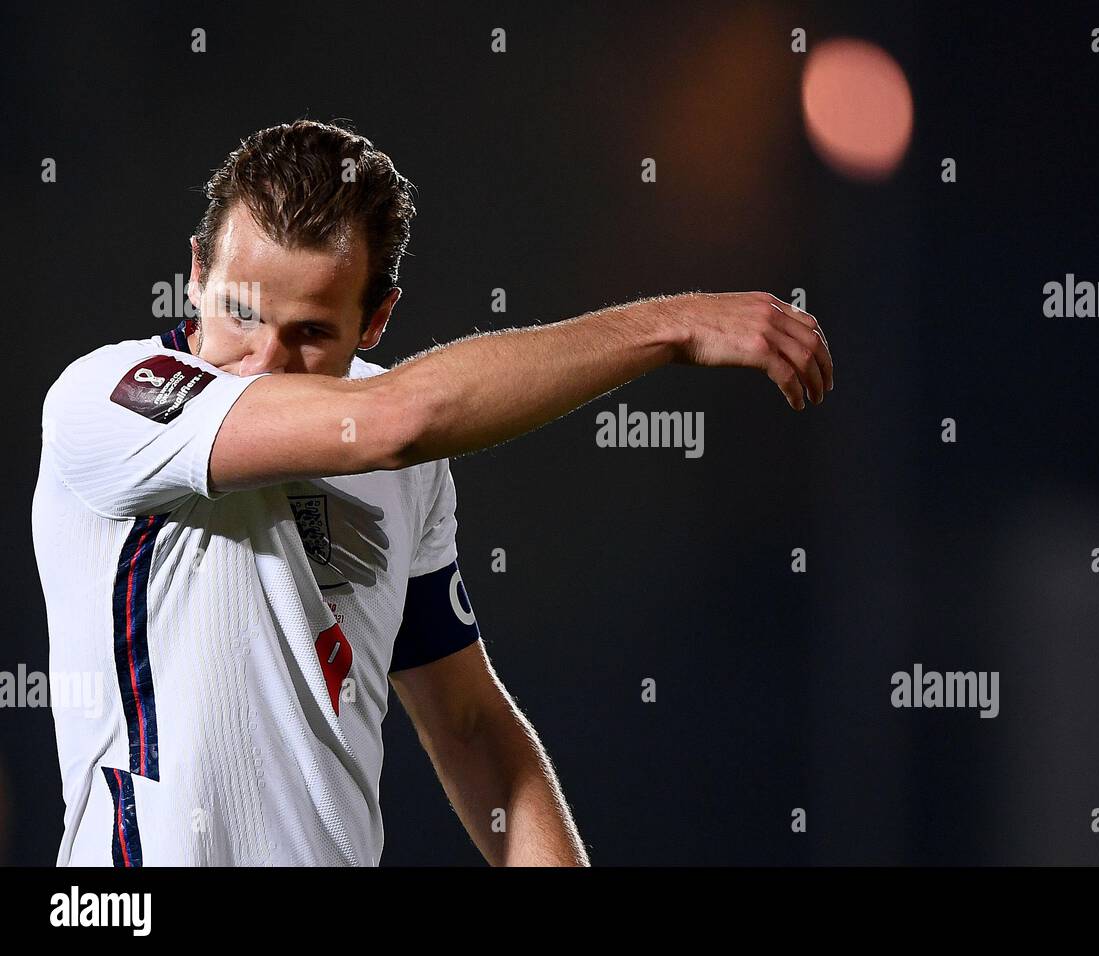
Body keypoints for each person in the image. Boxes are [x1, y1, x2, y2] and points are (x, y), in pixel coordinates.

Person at [31, 120, 833, 866]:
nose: (264, 361)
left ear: (376, 319)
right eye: (240, 312)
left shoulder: (407, 463)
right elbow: (395, 418)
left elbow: (473, 726)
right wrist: (670, 324)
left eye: (310, 333)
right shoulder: (112, 400)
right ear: (198, 273)